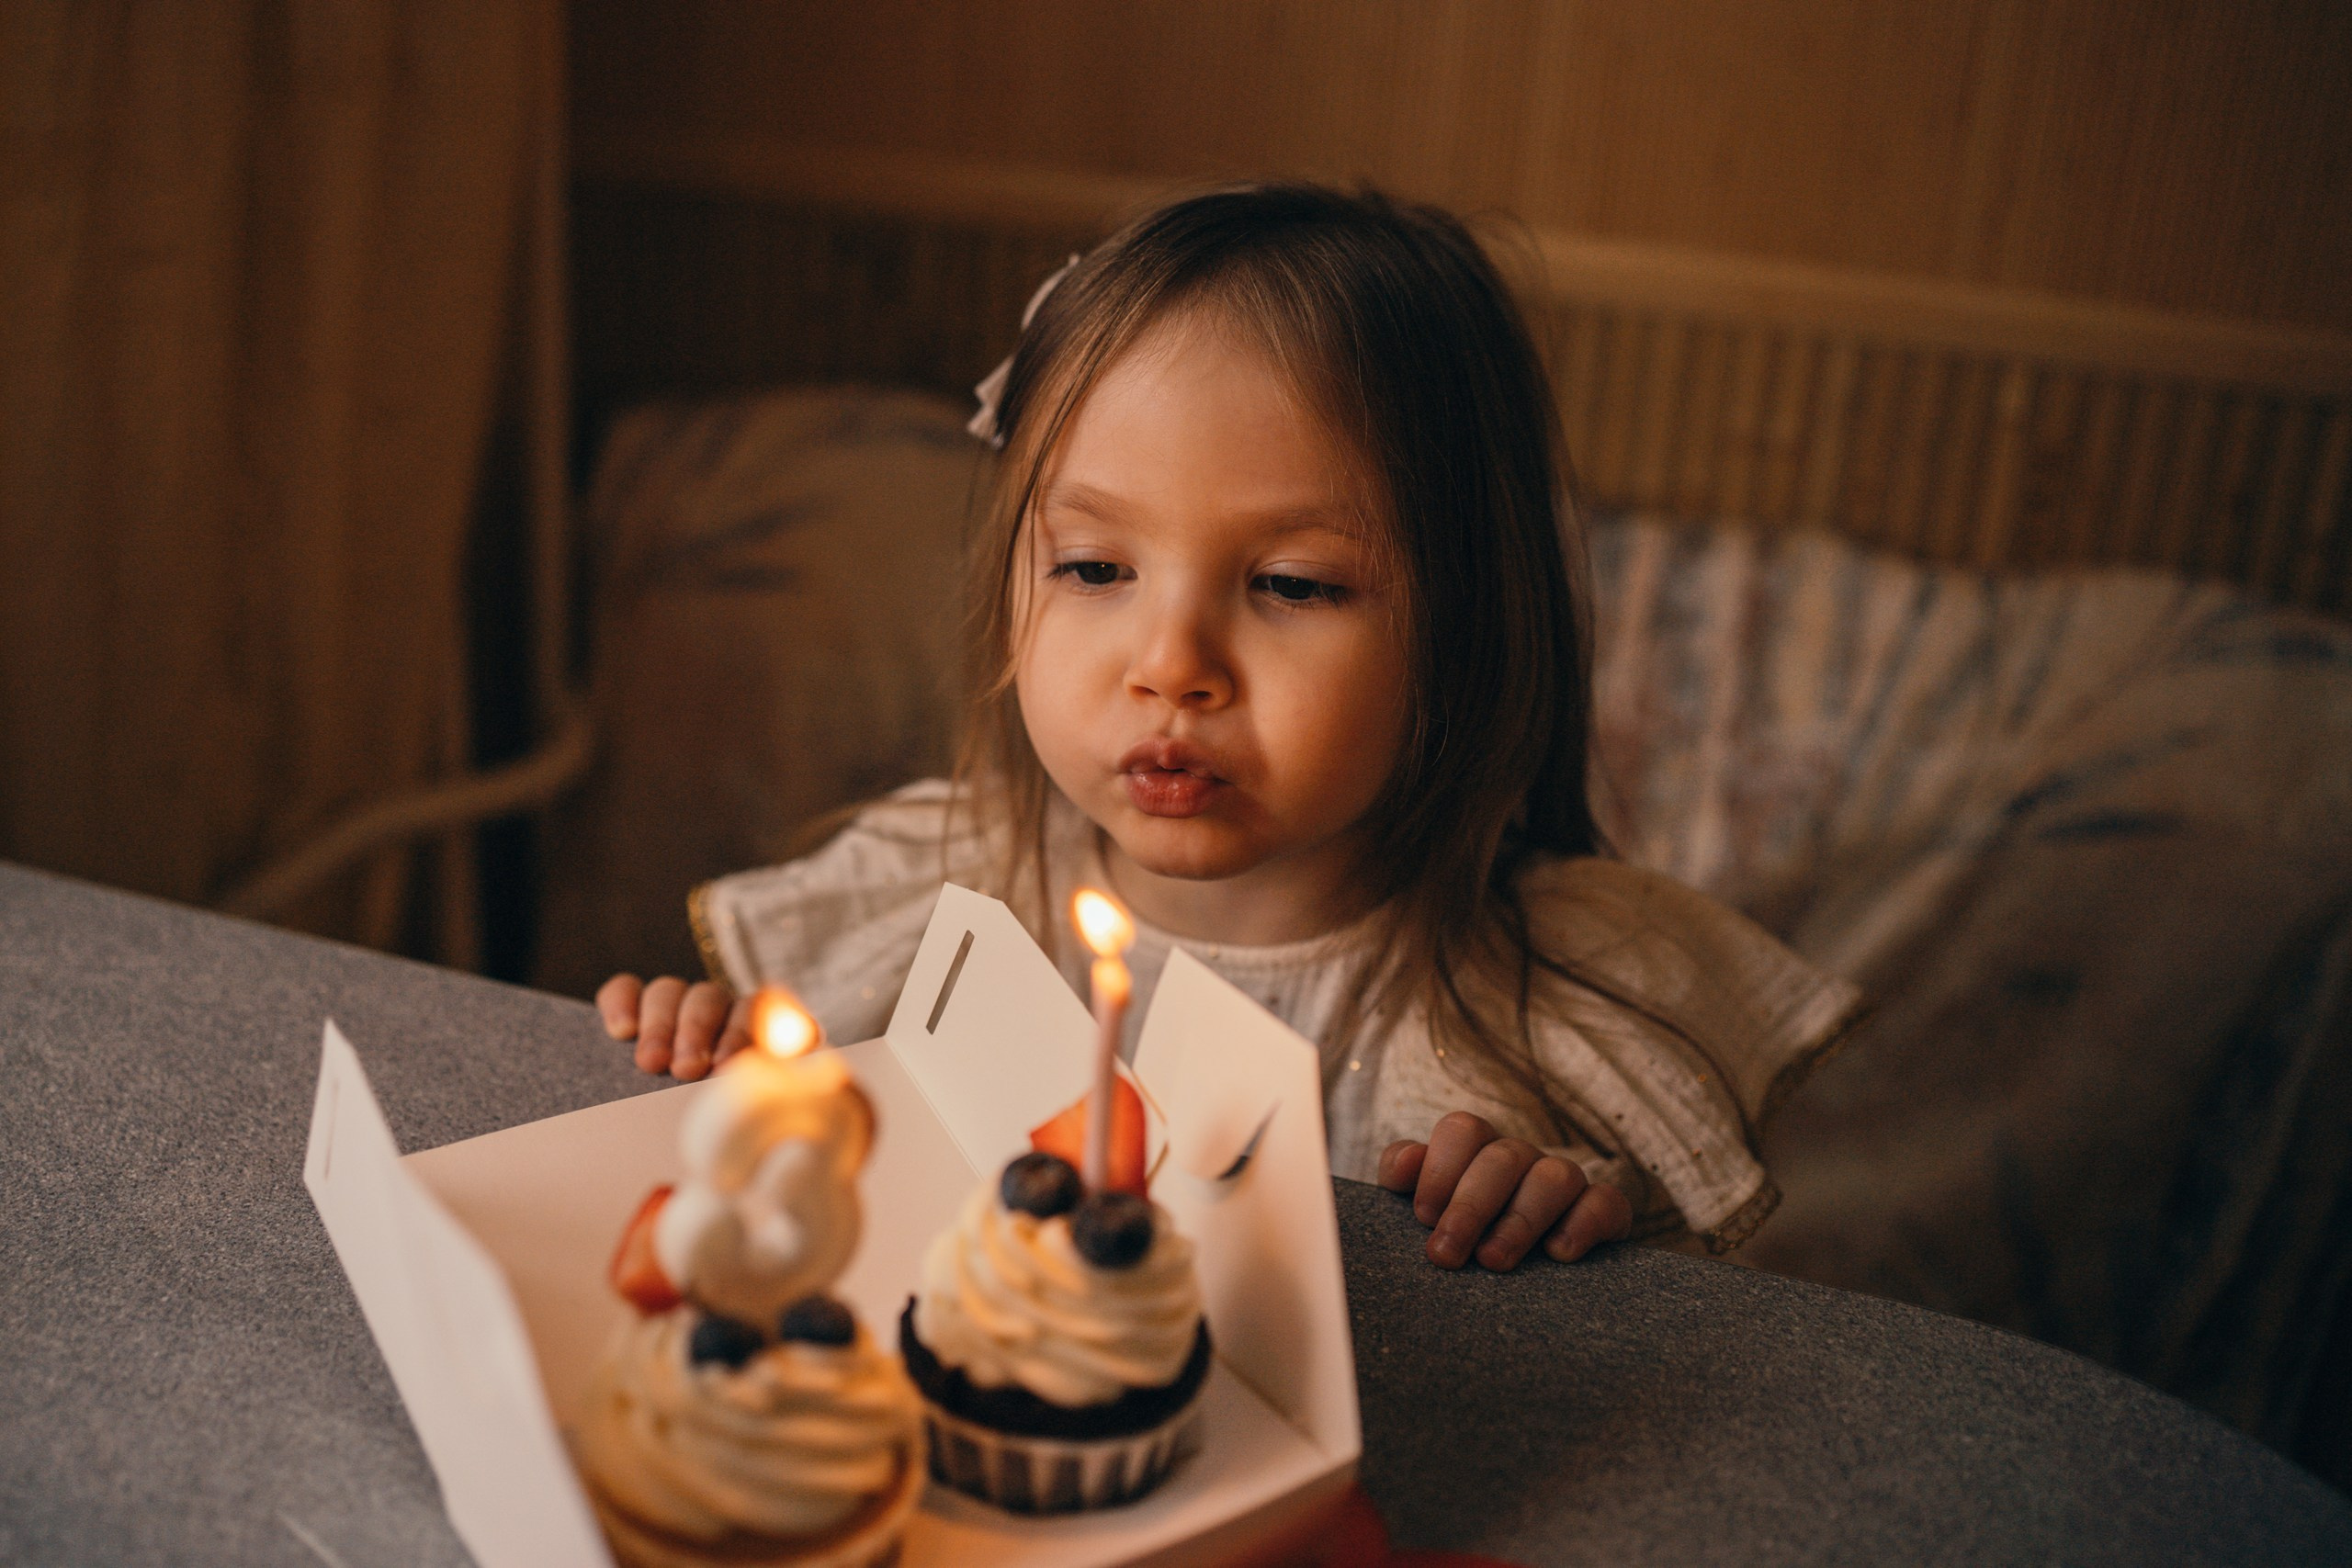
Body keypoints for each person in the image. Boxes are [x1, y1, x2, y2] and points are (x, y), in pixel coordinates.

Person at [596, 184, 1862, 1272]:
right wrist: (719, 1054)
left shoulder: (1543, 1003)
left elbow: (1634, 1352)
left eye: (1292, 585)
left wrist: (1558, 1208)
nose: (1171, 667)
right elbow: (807, 1152)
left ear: (1466, 630)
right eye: (1096, 568)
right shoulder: (943, 899)